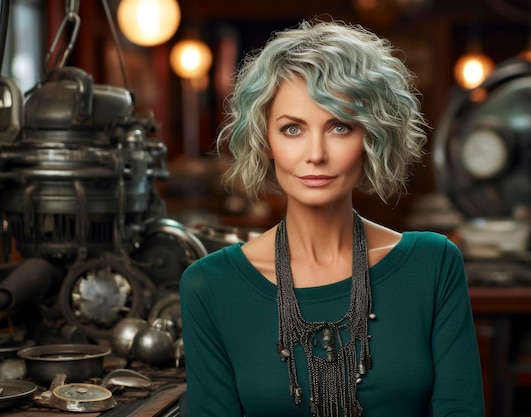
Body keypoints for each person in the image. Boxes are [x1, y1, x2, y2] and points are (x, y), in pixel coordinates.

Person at [179, 19, 484, 417]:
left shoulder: (433, 264)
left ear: (371, 137)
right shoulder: (210, 285)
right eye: (292, 129)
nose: (316, 154)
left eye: (340, 127)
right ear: (265, 140)